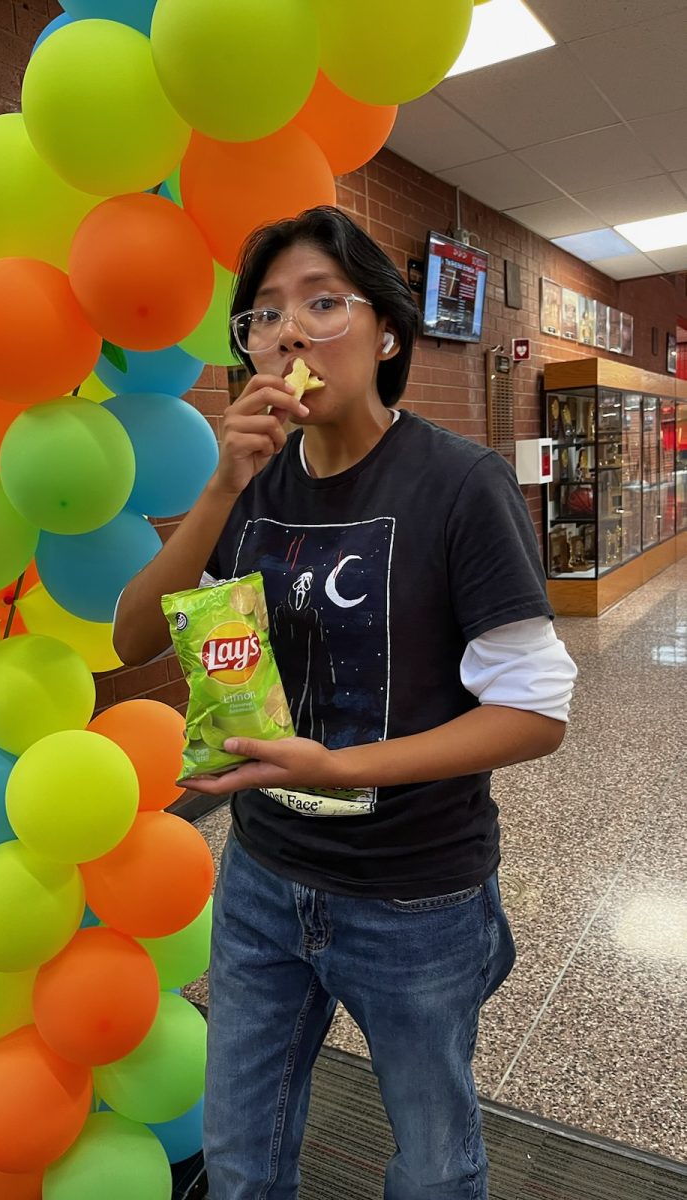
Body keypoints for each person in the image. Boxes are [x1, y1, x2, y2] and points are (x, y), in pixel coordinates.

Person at [114, 206, 577, 1200]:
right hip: (263, 880)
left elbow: (537, 710)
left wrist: (338, 768)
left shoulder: (461, 486)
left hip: (417, 897)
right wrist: (220, 489)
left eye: (324, 303)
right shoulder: (248, 482)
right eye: (265, 315)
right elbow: (135, 637)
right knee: (240, 1157)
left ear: (389, 335)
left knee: (433, 1165)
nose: (289, 332)